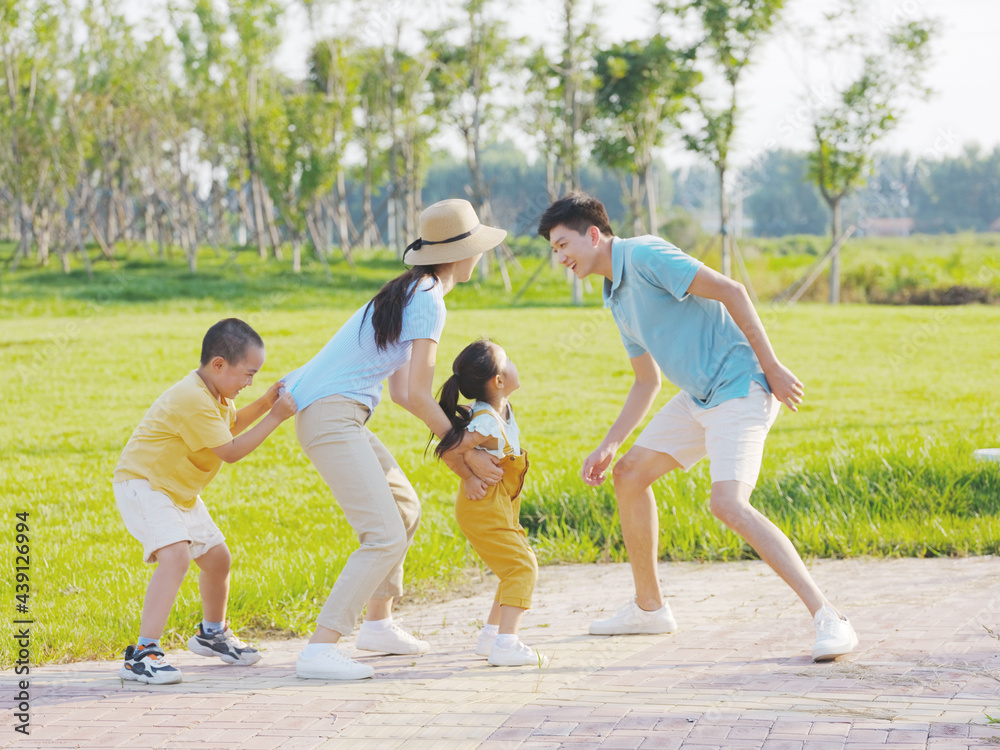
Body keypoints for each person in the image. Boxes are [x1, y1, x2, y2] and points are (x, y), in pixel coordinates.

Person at [537, 192, 858, 662]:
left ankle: (830, 616)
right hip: (700, 397)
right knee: (628, 475)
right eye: (554, 250)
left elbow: (733, 291)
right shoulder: (615, 297)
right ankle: (649, 608)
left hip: (742, 387)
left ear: (593, 234)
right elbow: (647, 380)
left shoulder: (644, 254)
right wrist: (610, 444)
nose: (561, 257)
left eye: (564, 244)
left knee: (727, 503)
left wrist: (771, 366)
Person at [282, 199, 507, 680]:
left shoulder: (414, 288)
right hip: (331, 416)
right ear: (461, 254)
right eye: (477, 249)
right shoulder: (428, 298)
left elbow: (405, 393)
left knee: (404, 509)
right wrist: (462, 450)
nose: (480, 257)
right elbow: (417, 392)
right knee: (382, 534)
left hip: (340, 415)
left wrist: (457, 450)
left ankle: (378, 624)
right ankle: (319, 649)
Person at [113, 318, 298, 684]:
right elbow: (230, 451)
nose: (250, 382)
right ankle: (142, 654)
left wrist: (264, 402)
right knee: (176, 555)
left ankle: (211, 634)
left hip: (177, 491)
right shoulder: (192, 399)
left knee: (217, 559)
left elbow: (227, 428)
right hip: (145, 484)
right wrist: (276, 416)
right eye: (248, 374)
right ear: (218, 365)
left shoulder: (215, 395)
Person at [434, 339, 543, 667]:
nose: (513, 363)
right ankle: (506, 643)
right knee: (522, 567)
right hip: (484, 505)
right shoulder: (486, 421)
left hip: (501, 504)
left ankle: (492, 636)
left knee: (514, 566)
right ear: (498, 381)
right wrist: (470, 474)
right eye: (507, 359)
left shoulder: (498, 410)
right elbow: (450, 448)